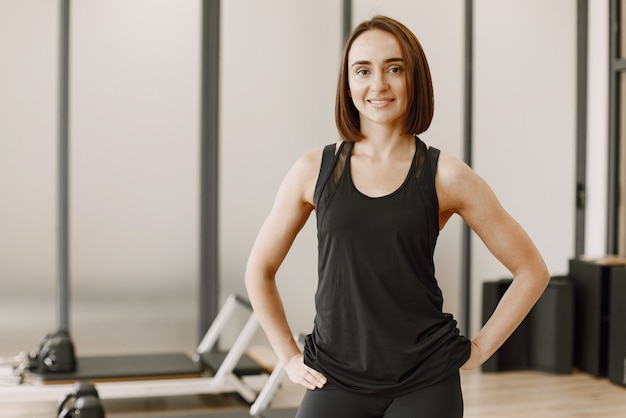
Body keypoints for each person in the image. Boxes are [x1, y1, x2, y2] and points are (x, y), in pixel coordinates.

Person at [245, 15, 549, 418]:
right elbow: (259, 271)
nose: (378, 85)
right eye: (363, 70)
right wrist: (287, 356)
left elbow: (531, 270)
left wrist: (479, 350)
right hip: (334, 376)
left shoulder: (447, 175)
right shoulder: (312, 170)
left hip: (425, 379)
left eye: (394, 68)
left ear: (414, 78)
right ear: (348, 83)